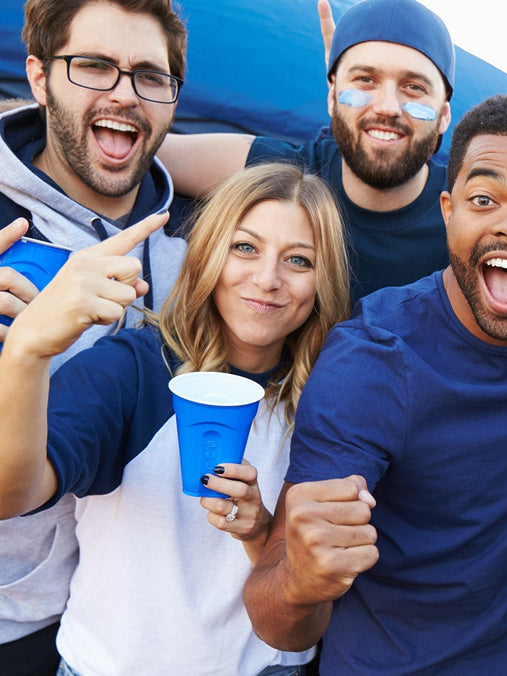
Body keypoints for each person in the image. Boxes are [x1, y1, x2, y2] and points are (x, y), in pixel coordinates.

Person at [243, 93, 507, 674]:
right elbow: (274, 618)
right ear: (448, 210)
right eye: (484, 200)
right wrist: (301, 582)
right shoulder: (373, 358)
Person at [0, 162, 351, 675]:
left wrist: (259, 534)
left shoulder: (331, 401)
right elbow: (13, 495)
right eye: (245, 247)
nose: (268, 279)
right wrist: (27, 352)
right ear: (208, 253)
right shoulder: (132, 369)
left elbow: (306, 619)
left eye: (299, 260)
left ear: (325, 280)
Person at [0, 1, 187, 670]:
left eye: (149, 75)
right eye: (94, 67)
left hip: (140, 630)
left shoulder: (205, 242)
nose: (124, 93)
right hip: (17, 622)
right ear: (40, 75)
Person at [157, 0, 454, 301]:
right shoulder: (287, 174)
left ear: (444, 116)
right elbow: (143, 150)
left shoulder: (470, 212)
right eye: (365, 80)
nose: (388, 107)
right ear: (331, 98)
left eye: (413, 87)